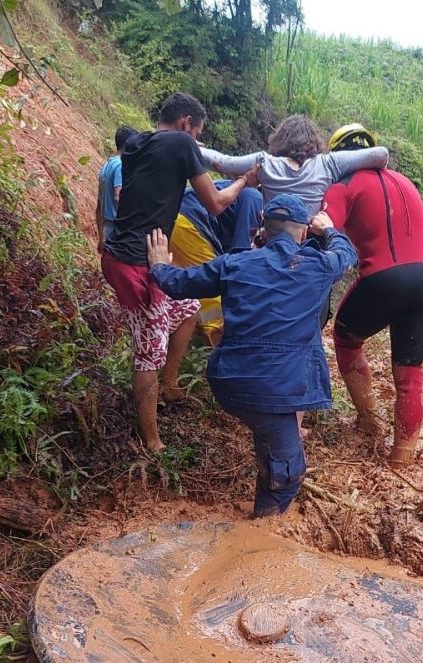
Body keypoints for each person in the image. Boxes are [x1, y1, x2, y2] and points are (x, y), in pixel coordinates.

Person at [147, 194, 357, 516]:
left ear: (264, 231)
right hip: (276, 387)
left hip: (229, 381)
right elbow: (346, 253)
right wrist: (328, 229)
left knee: (272, 432)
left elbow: (178, 283)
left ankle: (269, 469)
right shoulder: (318, 266)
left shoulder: (234, 263)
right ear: (302, 233)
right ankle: (260, 538)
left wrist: (159, 264)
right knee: (286, 477)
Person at [102, 92, 260, 453]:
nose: (195, 139)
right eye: (196, 132)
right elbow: (217, 205)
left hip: (126, 253)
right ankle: (152, 441)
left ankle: (169, 384)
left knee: (188, 307)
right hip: (136, 262)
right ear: (187, 122)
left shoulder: (136, 143)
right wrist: (244, 181)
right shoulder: (179, 143)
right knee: (148, 350)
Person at [322, 123, 423, 469]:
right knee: (409, 375)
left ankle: (369, 421)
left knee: (345, 338)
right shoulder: (406, 182)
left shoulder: (343, 185)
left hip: (379, 279)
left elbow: (325, 230)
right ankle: (402, 459)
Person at [198, 116, 389, 219]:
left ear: (281, 139)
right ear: (314, 141)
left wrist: (187, 145)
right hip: (310, 246)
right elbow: (381, 154)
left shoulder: (265, 163)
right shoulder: (329, 164)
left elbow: (223, 163)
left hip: (271, 242)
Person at [169, 181, 263, 344]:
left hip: (173, 219)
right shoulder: (254, 197)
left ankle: (191, 337)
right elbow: (240, 253)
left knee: (189, 291)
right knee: (213, 298)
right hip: (188, 224)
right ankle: (218, 349)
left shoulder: (236, 191)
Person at [95, 126, 133, 253]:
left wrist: (101, 237)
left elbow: (99, 205)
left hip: (106, 227)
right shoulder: (121, 165)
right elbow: (118, 195)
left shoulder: (107, 164)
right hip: (117, 229)